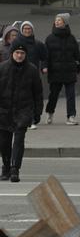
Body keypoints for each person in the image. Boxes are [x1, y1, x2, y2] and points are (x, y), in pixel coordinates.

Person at [0, 42, 42, 183]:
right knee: (4, 143)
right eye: (17, 53)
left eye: (22, 53)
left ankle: (14, 169)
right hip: (4, 111)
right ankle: (5, 168)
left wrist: (37, 112)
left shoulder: (31, 70)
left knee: (18, 141)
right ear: (12, 53)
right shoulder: (3, 68)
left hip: (23, 111)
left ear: (26, 55)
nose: (19, 55)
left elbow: (38, 93)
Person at [44, 13, 80, 126]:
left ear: (65, 23)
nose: (57, 22)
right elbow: (46, 55)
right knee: (54, 94)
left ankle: (71, 116)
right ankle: (50, 112)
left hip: (69, 70)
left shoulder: (71, 38)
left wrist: (79, 67)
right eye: (56, 20)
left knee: (71, 95)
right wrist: (44, 66)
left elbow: (77, 54)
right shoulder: (50, 38)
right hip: (55, 71)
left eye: (59, 20)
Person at [12, 21, 48, 129]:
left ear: (32, 30)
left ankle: (32, 119)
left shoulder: (38, 44)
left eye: (29, 29)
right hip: (18, 73)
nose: (27, 31)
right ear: (22, 30)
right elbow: (11, 56)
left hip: (33, 74)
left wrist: (44, 66)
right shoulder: (16, 42)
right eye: (25, 29)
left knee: (33, 97)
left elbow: (45, 56)